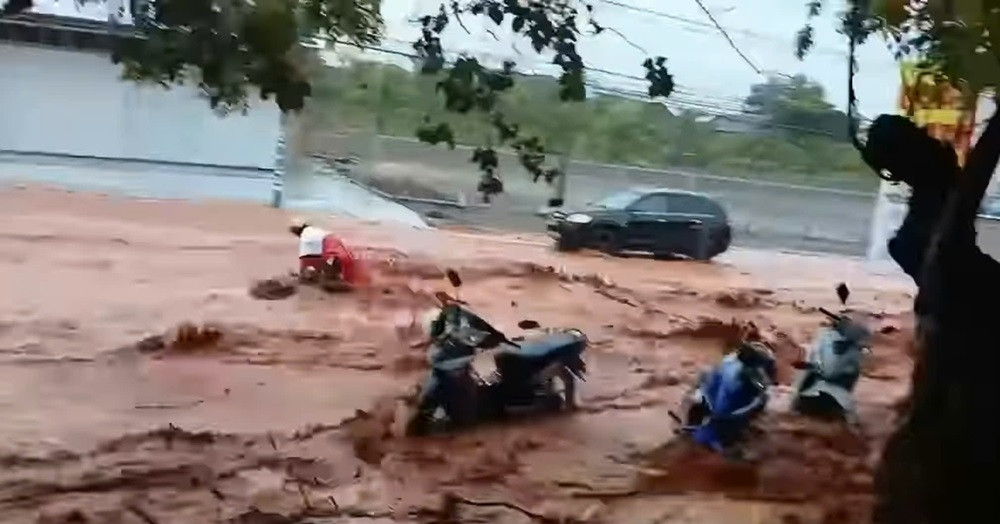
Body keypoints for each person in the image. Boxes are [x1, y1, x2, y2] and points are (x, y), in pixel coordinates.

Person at [288, 218, 368, 287]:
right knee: (336, 261)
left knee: (328, 263)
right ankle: (338, 276)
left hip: (329, 246)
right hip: (336, 242)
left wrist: (302, 273)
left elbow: (306, 258)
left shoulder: (305, 237)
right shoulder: (315, 230)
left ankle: (335, 277)